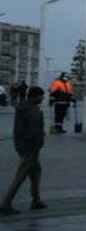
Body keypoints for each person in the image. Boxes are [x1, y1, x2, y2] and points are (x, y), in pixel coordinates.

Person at [0, 86, 47, 215]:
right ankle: (5, 203)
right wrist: (36, 146)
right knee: (20, 177)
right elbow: (33, 132)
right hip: (30, 150)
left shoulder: (22, 108)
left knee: (36, 173)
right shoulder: (34, 112)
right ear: (35, 96)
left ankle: (36, 200)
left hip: (22, 146)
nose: (42, 98)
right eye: (41, 96)